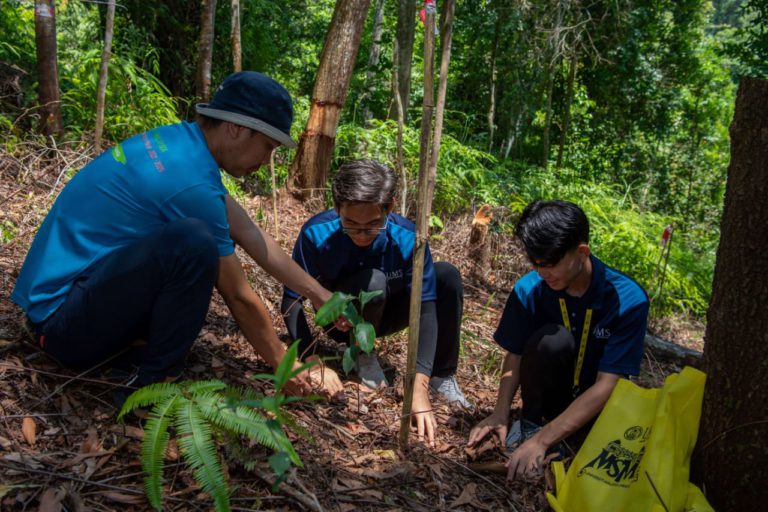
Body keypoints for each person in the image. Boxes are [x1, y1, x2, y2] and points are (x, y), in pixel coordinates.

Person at [12, 71, 343, 404]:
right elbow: (238, 295)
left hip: (62, 305)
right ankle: (151, 386)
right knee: (193, 244)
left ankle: (134, 352)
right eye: (267, 146)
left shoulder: (181, 145)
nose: (265, 160)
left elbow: (249, 232)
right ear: (236, 129)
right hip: (60, 328)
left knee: (190, 241)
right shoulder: (190, 184)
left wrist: (317, 292)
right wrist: (283, 365)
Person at [281, 159, 471, 444]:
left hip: (390, 311)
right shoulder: (316, 233)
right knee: (373, 280)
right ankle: (363, 355)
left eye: (373, 225)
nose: (361, 235)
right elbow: (291, 301)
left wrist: (417, 385)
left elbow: (427, 309)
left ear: (389, 208)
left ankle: (441, 376)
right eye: (351, 224)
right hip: (342, 322)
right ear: (337, 208)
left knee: (446, 276)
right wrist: (311, 359)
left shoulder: (407, 236)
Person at [467, 200, 649, 480]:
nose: (542, 273)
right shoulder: (529, 289)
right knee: (552, 340)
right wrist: (500, 412)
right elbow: (514, 354)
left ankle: (548, 438)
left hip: (596, 409)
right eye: (535, 263)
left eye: (550, 264)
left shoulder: (627, 300)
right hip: (545, 401)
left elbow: (608, 384)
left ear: (582, 252)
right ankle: (530, 424)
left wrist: (542, 442)